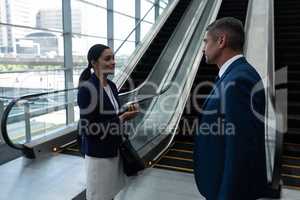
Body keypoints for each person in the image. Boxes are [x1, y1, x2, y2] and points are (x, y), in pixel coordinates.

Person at [193, 17, 268, 200]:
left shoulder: (238, 81)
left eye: (205, 41)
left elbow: (239, 150)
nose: (203, 48)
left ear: (221, 41)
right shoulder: (232, 75)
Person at [77, 44, 139, 200]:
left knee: (110, 195)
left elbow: (110, 115)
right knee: (99, 196)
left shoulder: (111, 86)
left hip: (113, 150)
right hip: (99, 156)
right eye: (107, 58)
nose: (113, 62)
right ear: (94, 62)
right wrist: (122, 118)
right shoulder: (87, 89)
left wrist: (125, 111)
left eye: (113, 58)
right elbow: (88, 129)